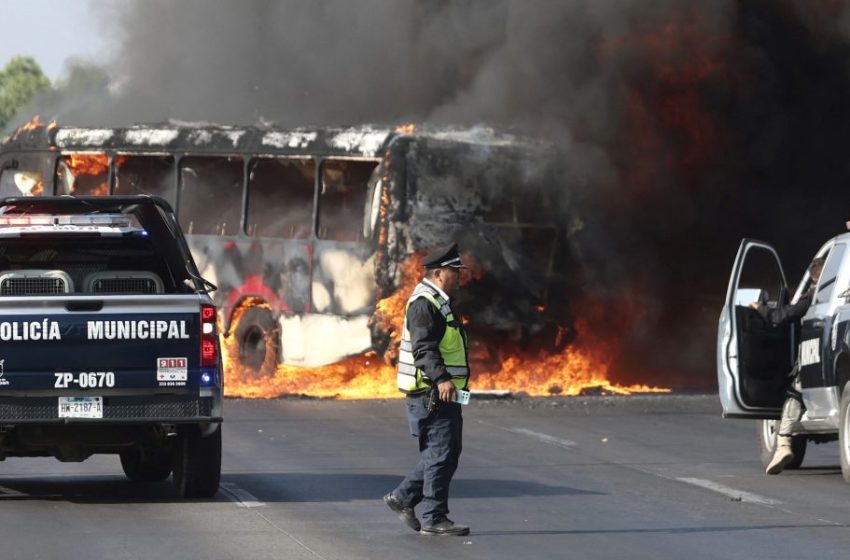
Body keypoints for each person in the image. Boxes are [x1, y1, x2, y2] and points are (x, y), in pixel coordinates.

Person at [383, 243, 471, 536]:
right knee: (441, 452)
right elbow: (424, 349)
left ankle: (403, 498)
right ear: (438, 273)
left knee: (444, 451)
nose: (459, 277)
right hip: (430, 394)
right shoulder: (424, 303)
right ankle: (433, 517)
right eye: (454, 272)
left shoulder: (438, 301)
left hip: (440, 394)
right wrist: (442, 378)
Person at [751, 256, 825, 474]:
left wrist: (760, 309)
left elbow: (783, 316)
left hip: (816, 359)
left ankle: (783, 443)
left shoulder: (813, 296)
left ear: (814, 278)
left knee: (794, 392)